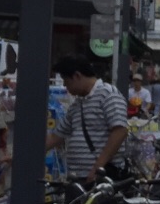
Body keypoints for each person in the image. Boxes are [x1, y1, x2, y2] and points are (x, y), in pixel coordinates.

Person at [46, 54, 130, 183]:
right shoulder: (77, 104)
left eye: (66, 82)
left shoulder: (108, 94)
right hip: (79, 178)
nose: (65, 87)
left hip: (101, 177)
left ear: (77, 76)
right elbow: (56, 136)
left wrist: (98, 167)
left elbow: (120, 131)